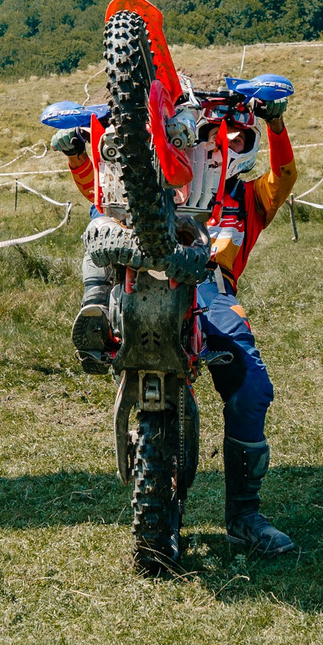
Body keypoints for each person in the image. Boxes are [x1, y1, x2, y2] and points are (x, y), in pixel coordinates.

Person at [55, 81, 302, 557]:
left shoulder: (251, 200)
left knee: (252, 388)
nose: (222, 145)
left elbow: (285, 176)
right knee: (105, 232)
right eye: (214, 137)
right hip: (146, 272)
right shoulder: (169, 185)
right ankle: (98, 312)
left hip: (212, 290)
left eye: (229, 139)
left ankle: (245, 516)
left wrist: (275, 123)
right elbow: (102, 191)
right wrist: (80, 155)